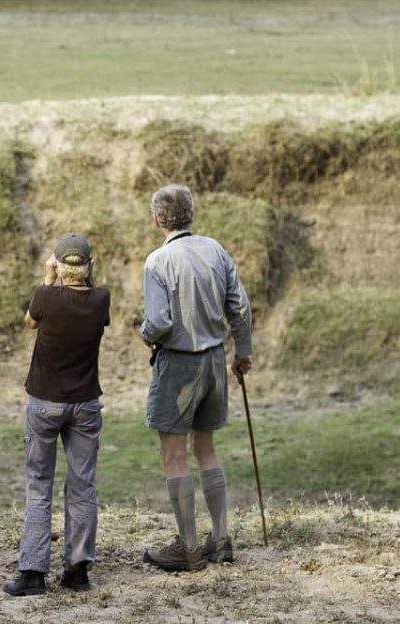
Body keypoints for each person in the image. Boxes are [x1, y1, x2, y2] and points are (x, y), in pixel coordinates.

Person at [140, 184, 253, 572]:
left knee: (174, 454)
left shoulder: (157, 261)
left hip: (179, 364)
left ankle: (187, 547)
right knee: (206, 448)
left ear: (157, 219)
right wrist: (243, 352)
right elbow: (240, 306)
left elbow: (158, 322)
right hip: (215, 361)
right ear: (192, 214)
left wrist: (145, 334)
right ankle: (221, 538)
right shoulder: (215, 249)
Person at [3, 233, 110, 596]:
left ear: (58, 265)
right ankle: (77, 569)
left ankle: (32, 572)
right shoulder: (101, 300)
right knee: (83, 486)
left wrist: (48, 278)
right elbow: (85, 291)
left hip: (45, 401)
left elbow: (30, 322)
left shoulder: (46, 296)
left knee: (39, 487)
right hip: (85, 402)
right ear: (88, 266)